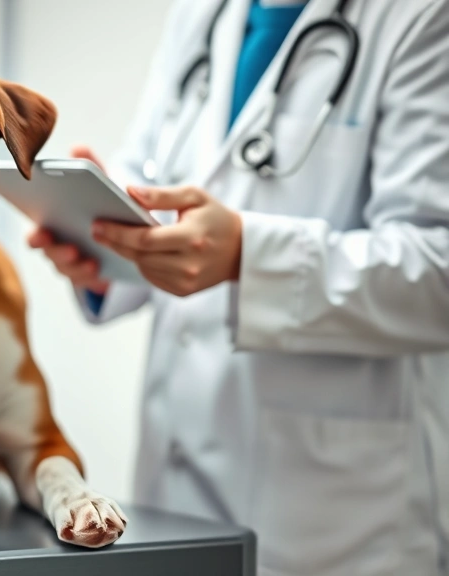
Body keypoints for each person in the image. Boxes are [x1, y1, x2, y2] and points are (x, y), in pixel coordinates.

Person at [29, 0, 449, 574]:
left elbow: (436, 266)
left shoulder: (419, 18)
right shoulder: (201, 14)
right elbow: (154, 181)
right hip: (172, 494)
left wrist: (250, 256)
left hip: (335, 519)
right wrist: (104, 254)